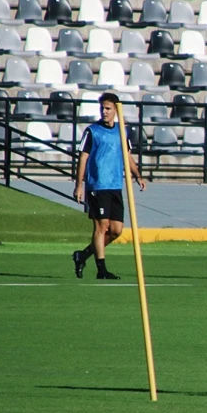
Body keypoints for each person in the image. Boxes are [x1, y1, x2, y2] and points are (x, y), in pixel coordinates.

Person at [72, 92, 145, 280]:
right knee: (101, 226)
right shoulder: (92, 131)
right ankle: (101, 270)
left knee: (116, 230)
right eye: (102, 108)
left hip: (115, 184)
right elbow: (83, 158)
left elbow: (127, 155)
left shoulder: (122, 131)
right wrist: (79, 185)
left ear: (116, 110)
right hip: (97, 184)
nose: (104, 112)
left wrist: (137, 175)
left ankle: (83, 255)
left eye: (108, 108)